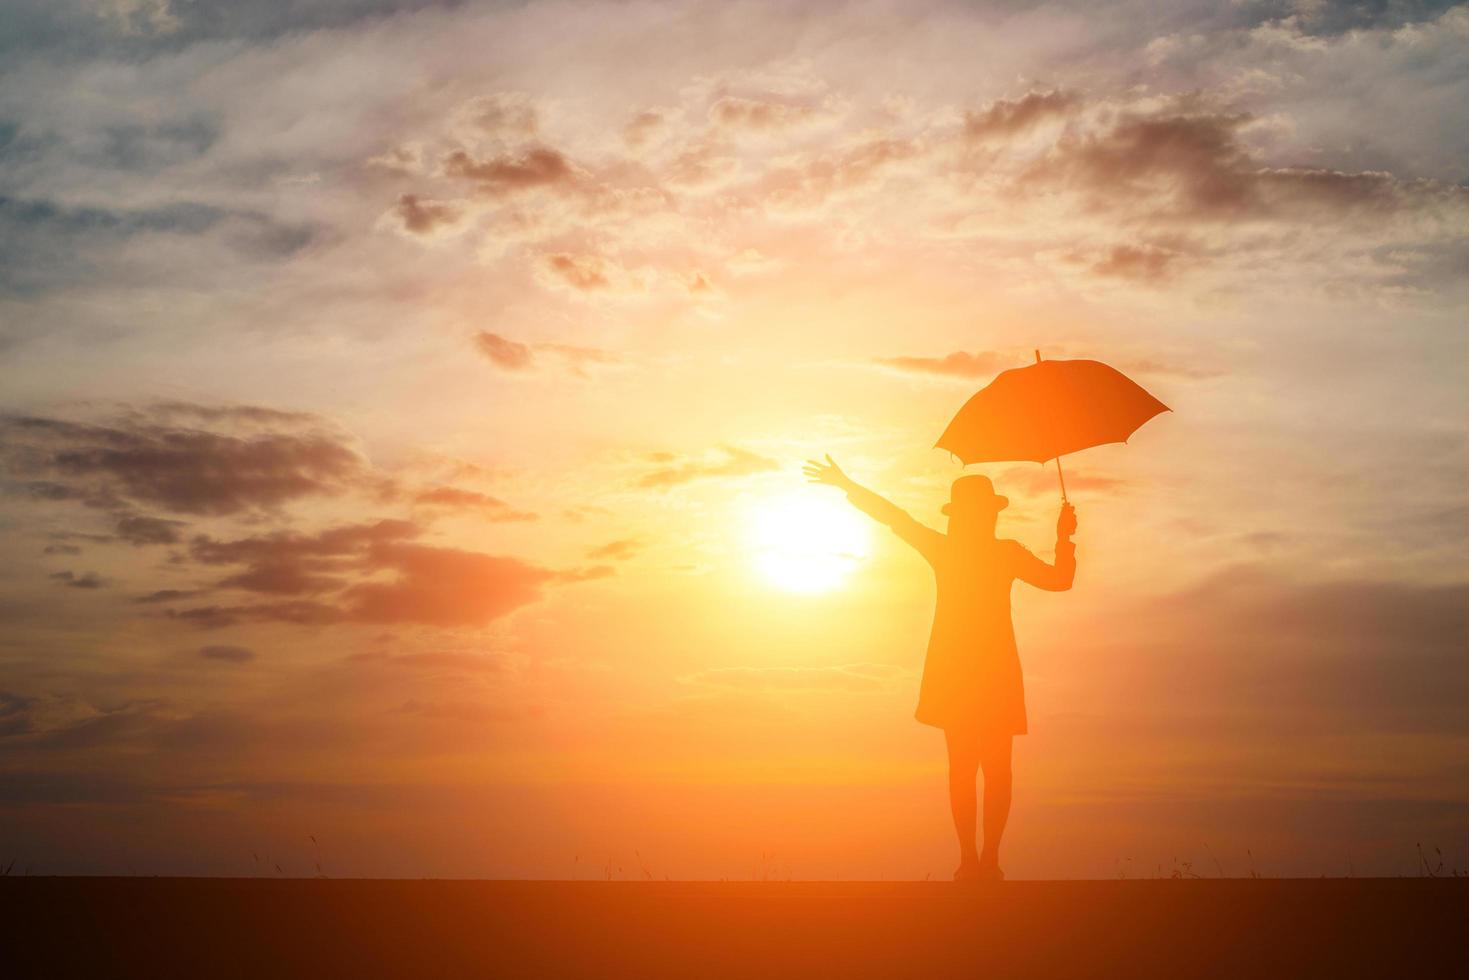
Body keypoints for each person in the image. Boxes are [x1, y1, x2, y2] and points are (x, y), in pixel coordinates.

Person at [803, 456, 1076, 882]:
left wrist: (1064, 538)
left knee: (975, 769)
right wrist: (1063, 539)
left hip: (967, 669)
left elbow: (897, 518)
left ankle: (978, 859)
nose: (983, 519)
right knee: (985, 769)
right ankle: (979, 860)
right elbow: (1061, 579)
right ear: (981, 515)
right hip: (983, 669)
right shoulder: (994, 553)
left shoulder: (962, 550)